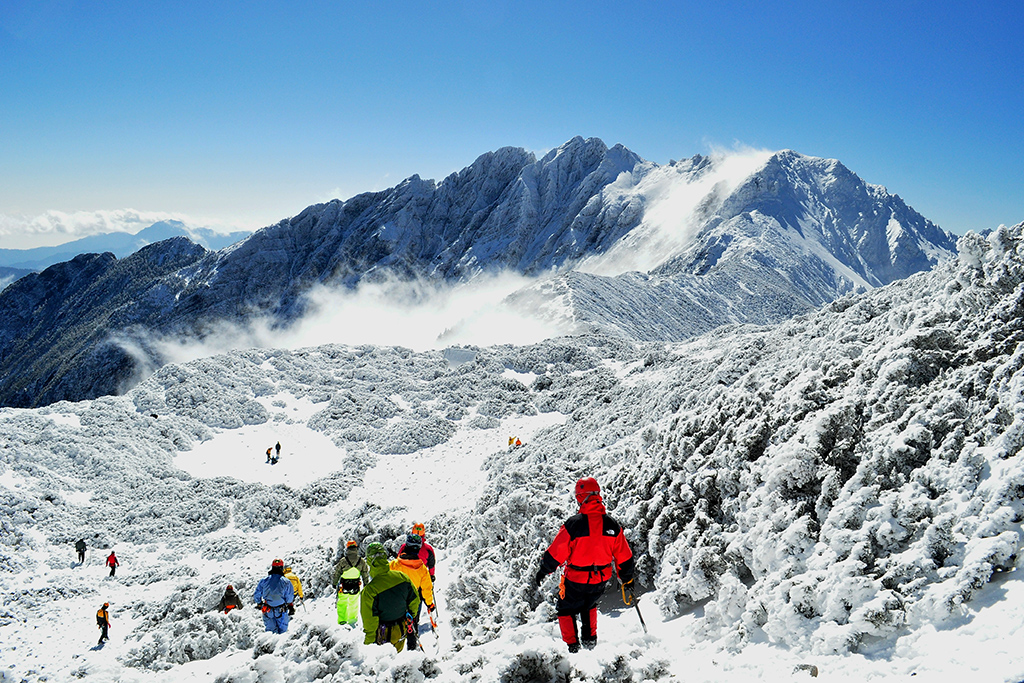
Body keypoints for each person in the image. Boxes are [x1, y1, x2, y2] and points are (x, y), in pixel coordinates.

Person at [534, 477, 635, 653]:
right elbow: (624, 555)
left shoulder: (574, 524)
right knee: (589, 605)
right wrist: (627, 579)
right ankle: (590, 642)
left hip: (576, 578)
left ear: (581, 497)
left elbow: (557, 551)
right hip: (601, 580)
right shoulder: (611, 524)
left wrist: (544, 569)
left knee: (565, 609)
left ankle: (572, 647)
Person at [360, 542, 419, 652]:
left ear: (368, 561)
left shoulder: (369, 591)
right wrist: (410, 617)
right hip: (402, 629)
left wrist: (368, 646)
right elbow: (414, 600)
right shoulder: (402, 577)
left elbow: (370, 623)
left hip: (383, 636)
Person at [390, 534, 435, 647]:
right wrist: (430, 604)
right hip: (414, 600)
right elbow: (426, 589)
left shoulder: (395, 564)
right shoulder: (422, 569)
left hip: (397, 600)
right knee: (413, 623)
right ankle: (412, 646)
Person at [253, 558, 295, 633]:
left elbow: (257, 594)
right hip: (281, 611)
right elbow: (289, 598)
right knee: (282, 633)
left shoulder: (264, 580)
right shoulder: (286, 582)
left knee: (270, 633)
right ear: (282, 568)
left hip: (267, 610)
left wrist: (259, 603)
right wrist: (290, 606)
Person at [334, 540, 370, 626]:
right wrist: (366, 584)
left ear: (347, 549)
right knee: (353, 603)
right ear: (356, 548)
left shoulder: (343, 560)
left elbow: (337, 572)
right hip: (355, 585)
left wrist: (334, 583)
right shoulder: (361, 561)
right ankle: (352, 620)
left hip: (343, 586)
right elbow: (365, 573)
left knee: (342, 603)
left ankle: (342, 620)